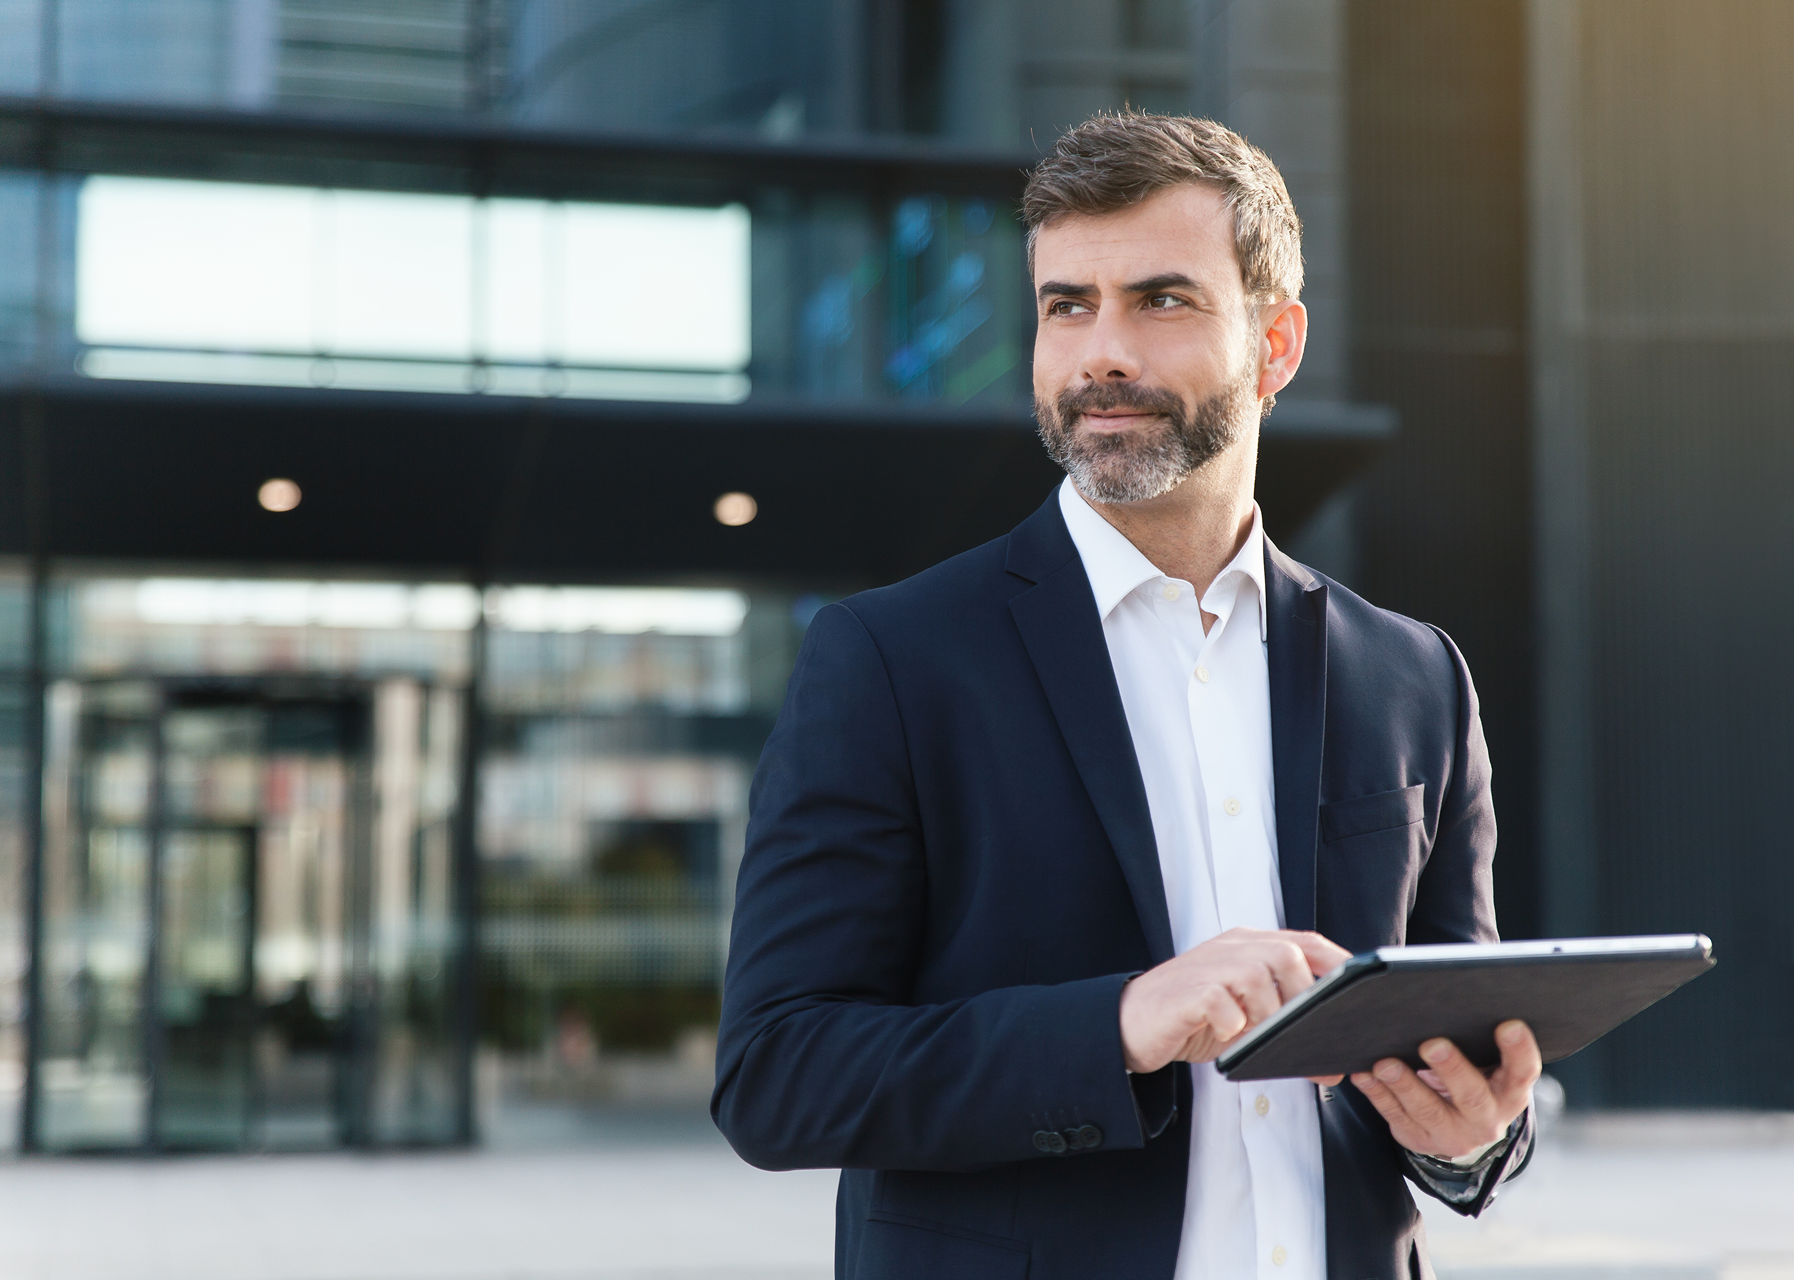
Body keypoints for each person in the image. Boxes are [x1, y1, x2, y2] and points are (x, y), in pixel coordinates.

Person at [712, 111, 1539, 1280]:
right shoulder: (891, 659)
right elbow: (778, 1073)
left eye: (1161, 300)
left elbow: (1454, 1045)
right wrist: (1118, 1024)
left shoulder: (1414, 676)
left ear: (1276, 343)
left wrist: (1474, 1136)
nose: (1102, 351)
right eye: (1067, 305)